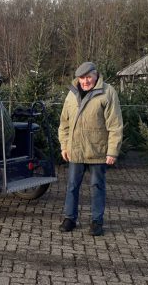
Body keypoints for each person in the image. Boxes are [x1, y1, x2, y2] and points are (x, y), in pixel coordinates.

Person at [58, 62, 123, 236]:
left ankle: (96, 221)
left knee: (97, 186)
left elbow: (115, 125)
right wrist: (64, 145)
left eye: (88, 77)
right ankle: (70, 218)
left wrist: (112, 151)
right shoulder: (72, 94)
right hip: (75, 150)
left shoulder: (107, 92)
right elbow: (64, 123)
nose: (85, 81)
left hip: (97, 151)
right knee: (72, 186)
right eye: (82, 78)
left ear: (96, 75)